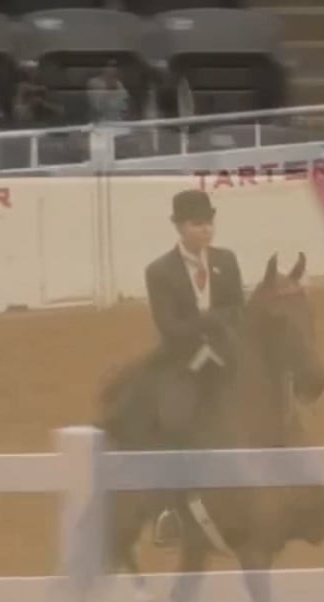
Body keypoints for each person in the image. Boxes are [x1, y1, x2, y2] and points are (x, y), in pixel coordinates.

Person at [141, 189, 246, 542]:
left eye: (209, 223)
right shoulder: (159, 271)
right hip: (181, 362)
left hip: (225, 355)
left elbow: (238, 312)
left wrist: (209, 322)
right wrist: (212, 323)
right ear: (179, 227)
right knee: (173, 424)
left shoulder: (226, 260)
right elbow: (170, 328)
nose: (206, 230)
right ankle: (169, 510)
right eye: (197, 224)